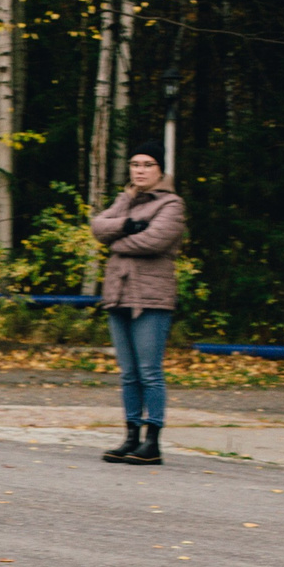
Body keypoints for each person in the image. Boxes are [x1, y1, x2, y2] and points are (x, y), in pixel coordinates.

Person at [91, 144, 184, 466]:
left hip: (152, 298)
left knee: (149, 372)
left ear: (160, 170)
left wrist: (116, 237)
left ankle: (152, 442)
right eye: (134, 164)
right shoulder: (125, 199)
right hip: (118, 293)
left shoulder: (172, 204)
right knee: (128, 373)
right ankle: (131, 435)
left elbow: (153, 241)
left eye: (147, 164)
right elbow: (96, 226)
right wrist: (126, 226)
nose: (140, 170)